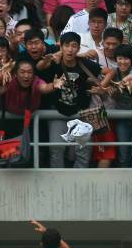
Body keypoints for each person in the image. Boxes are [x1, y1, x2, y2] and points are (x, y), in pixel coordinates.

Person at [36, 31, 112, 168]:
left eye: (73, 46)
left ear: (78, 48)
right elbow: (39, 68)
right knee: (56, 148)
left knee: (83, 150)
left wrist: (102, 87)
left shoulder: (84, 63)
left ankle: (80, 182)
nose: (70, 49)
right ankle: (57, 180)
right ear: (61, 47)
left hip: (81, 113)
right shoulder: (55, 63)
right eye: (66, 45)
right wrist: (48, 59)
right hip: (57, 112)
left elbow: (110, 71)